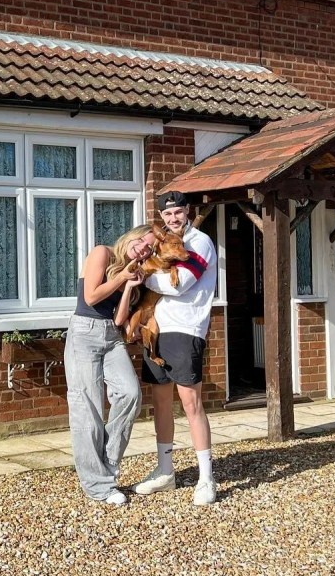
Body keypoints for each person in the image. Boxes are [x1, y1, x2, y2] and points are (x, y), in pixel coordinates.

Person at [130, 191, 219, 506]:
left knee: (191, 404)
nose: (173, 219)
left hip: (186, 329)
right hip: (157, 329)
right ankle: (166, 472)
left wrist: (145, 278)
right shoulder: (162, 242)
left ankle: (206, 479)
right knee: (161, 403)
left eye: (178, 213)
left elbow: (180, 283)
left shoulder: (199, 243)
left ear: (188, 212)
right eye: (167, 215)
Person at [65, 224, 157, 505]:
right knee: (87, 409)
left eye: (149, 248)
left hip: (111, 336)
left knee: (130, 394)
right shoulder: (102, 253)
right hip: (84, 333)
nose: (143, 248)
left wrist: (129, 286)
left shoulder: (133, 272)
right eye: (142, 241)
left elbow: (119, 320)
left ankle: (106, 464)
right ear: (131, 236)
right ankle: (98, 486)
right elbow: (91, 297)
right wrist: (122, 277)